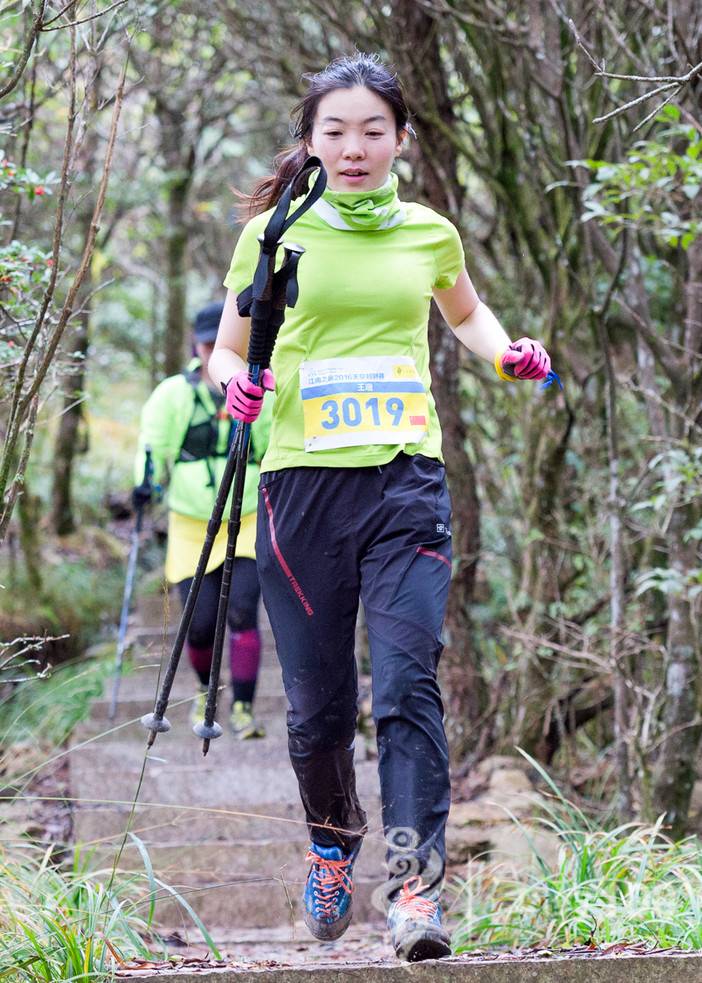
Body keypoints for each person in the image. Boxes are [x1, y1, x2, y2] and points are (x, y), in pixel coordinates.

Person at [208, 54, 552, 961]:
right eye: (335, 131)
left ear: (402, 138)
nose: (354, 148)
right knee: (319, 709)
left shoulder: (429, 232)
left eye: (372, 131)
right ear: (310, 141)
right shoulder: (274, 237)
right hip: (301, 489)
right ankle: (332, 842)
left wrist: (504, 352)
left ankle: (413, 888)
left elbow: (465, 314)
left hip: (406, 482)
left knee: (406, 685)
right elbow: (227, 351)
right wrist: (234, 385)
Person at [133, 301, 272, 739]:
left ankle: (243, 708)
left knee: (243, 612)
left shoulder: (259, 387)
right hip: (191, 525)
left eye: (219, 343)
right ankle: (204, 689)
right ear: (196, 345)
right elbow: (153, 445)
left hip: (246, 519)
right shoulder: (174, 393)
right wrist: (145, 484)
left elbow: (272, 442)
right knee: (199, 623)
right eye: (206, 344)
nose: (213, 351)